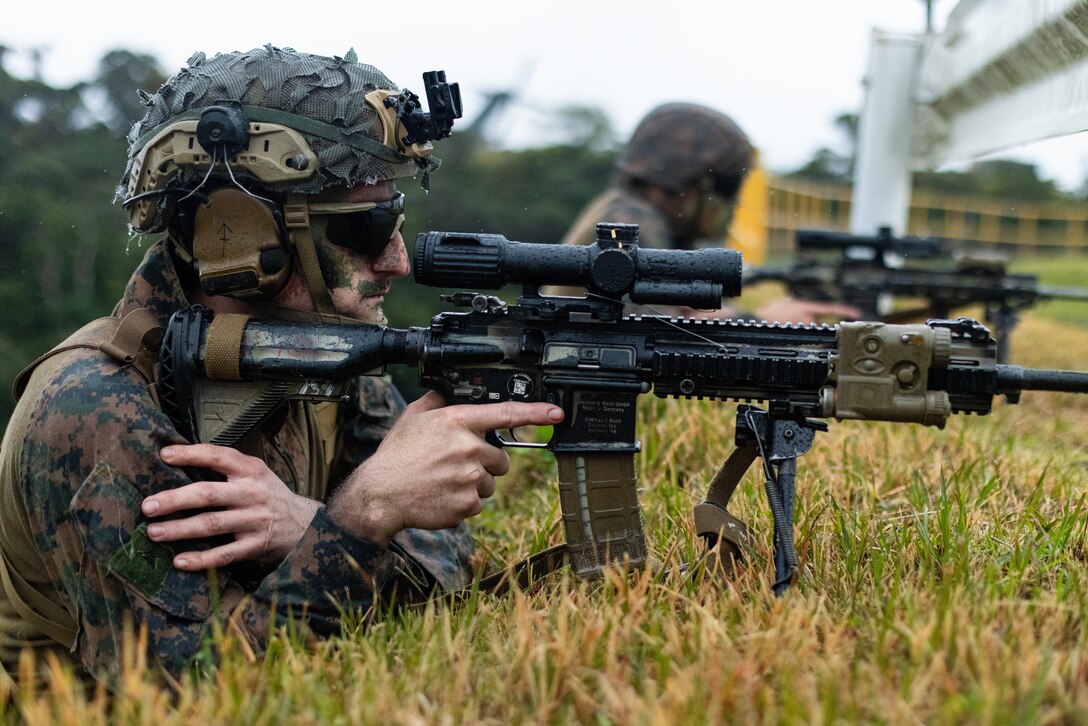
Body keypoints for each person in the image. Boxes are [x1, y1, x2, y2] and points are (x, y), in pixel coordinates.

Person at [0, 46, 563, 687]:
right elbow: (194, 689)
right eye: (366, 228)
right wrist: (360, 518)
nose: (396, 260)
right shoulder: (94, 408)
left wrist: (310, 528)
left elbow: (440, 559)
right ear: (236, 235)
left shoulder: (330, 347)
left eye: (395, 219)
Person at [556, 102, 858, 323]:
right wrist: (760, 320)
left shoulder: (622, 210)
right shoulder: (633, 225)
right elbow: (654, 336)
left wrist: (727, 315)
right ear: (692, 188)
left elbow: (668, 314)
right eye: (727, 189)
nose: (733, 205)